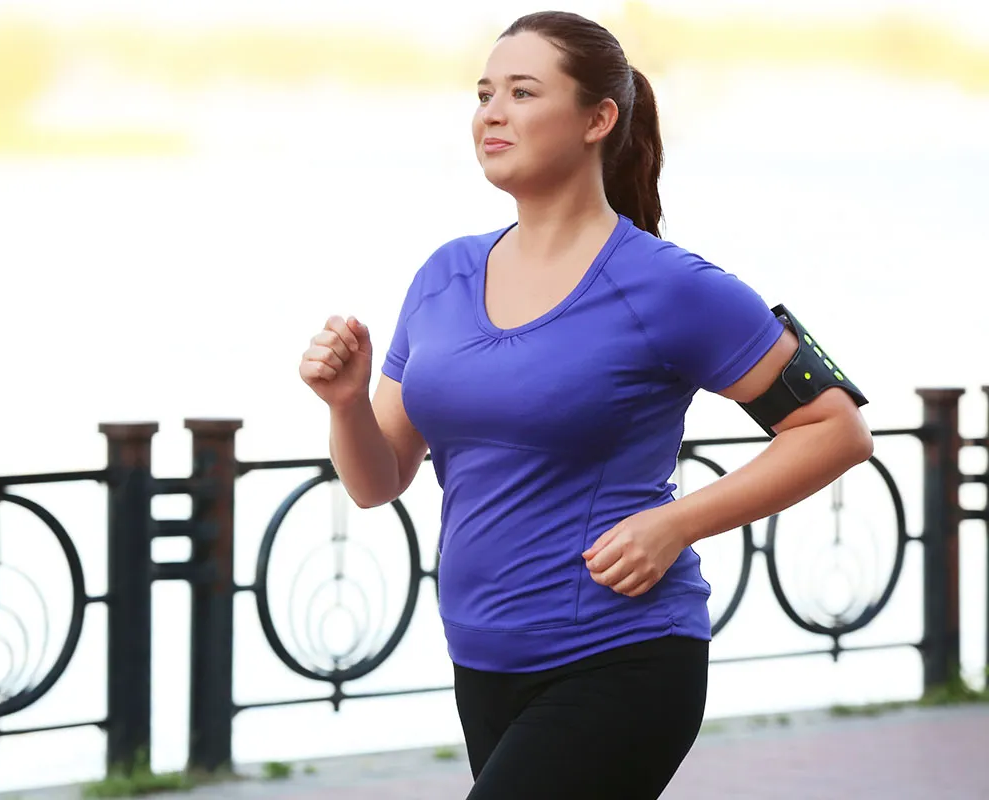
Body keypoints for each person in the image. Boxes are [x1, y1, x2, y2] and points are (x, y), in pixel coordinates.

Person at [297, 10, 873, 799]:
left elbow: (835, 430)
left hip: (623, 656)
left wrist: (676, 523)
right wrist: (345, 403)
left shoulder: (669, 285)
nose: (491, 114)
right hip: (482, 661)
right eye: (484, 93)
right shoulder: (445, 274)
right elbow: (377, 480)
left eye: (523, 93)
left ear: (599, 118)